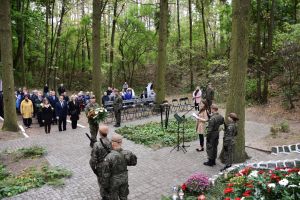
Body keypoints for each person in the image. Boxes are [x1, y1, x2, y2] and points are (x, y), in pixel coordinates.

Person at [101, 134, 137, 200]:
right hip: (124, 178)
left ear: (112, 143)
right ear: (121, 142)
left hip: (114, 181)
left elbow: (105, 175)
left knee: (113, 198)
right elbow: (134, 163)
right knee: (124, 196)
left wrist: (104, 187)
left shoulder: (108, 157)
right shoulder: (128, 153)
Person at [89, 125, 112, 200]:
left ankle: (105, 197)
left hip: (101, 168)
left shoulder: (97, 145)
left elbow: (92, 161)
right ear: (107, 132)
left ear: (99, 133)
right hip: (110, 166)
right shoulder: (111, 142)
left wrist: (94, 170)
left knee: (102, 184)